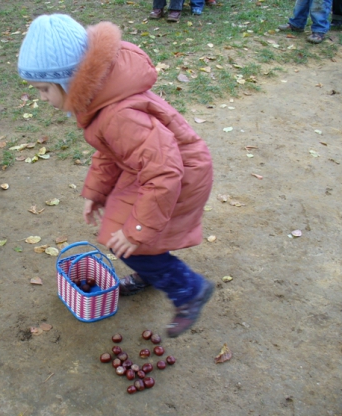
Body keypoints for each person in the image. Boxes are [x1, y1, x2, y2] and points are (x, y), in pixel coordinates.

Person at [18, 14, 214, 337]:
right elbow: (112, 152)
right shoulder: (101, 100)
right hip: (152, 172)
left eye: (43, 89)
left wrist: (136, 231)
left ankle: (189, 289)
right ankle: (151, 272)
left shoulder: (119, 114)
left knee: (129, 239)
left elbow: (165, 172)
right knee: (123, 231)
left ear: (71, 80)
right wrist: (96, 191)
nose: (42, 98)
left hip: (178, 176)